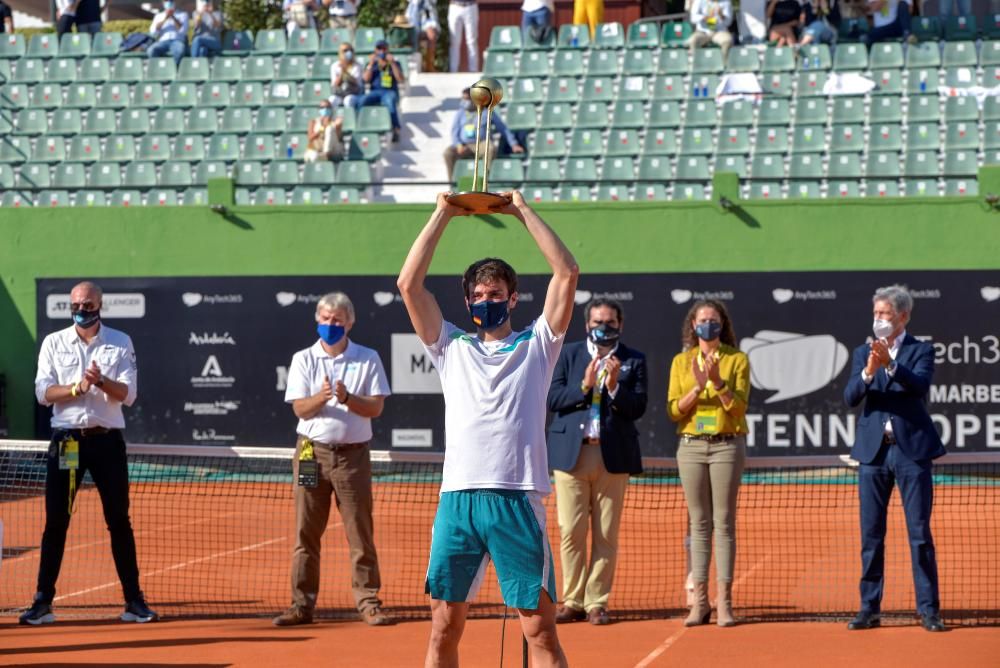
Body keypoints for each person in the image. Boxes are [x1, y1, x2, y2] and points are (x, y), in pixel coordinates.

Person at [396, 191, 579, 667]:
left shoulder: (539, 345)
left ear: (513, 298)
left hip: (516, 498)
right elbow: (409, 285)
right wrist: (443, 213)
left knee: (539, 630)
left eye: (495, 295)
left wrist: (520, 209)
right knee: (442, 627)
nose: (486, 301)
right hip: (458, 500)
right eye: (478, 296)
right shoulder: (450, 345)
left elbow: (567, 273)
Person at [19, 281, 158, 626]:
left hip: (107, 443)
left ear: (100, 306)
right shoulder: (54, 342)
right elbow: (42, 392)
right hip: (67, 441)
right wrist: (75, 387)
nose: (82, 309)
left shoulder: (120, 341)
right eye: (76, 304)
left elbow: (128, 394)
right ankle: (42, 602)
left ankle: (134, 602)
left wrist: (98, 382)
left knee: (119, 522)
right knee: (56, 522)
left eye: (88, 304)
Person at [273, 292, 393, 627]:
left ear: (350, 322)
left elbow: (375, 408)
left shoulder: (367, 358)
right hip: (311, 453)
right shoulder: (304, 359)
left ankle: (368, 602)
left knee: (359, 531)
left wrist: (347, 397)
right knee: (305, 532)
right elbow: (300, 408)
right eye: (325, 318)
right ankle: (301, 605)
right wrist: (323, 396)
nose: (331, 324)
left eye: (337, 319)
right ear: (317, 320)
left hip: (353, 457)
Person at [843, 285, 946, 633]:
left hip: (911, 452)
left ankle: (929, 610)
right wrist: (870, 370)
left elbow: (918, 387)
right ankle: (868, 608)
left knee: (919, 534)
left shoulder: (921, 350)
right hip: (873, 453)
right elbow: (850, 397)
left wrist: (891, 365)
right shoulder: (862, 352)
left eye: (885, 314)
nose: (879, 319)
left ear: (903, 316)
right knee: (871, 535)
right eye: (876, 313)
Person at [546, 298, 647, 626]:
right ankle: (572, 600)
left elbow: (638, 407)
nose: (603, 328)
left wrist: (615, 387)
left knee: (606, 533)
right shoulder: (568, 353)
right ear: (587, 324)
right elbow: (551, 399)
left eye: (610, 322)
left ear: (620, 325)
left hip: (612, 456)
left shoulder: (634, 360)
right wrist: (585, 387)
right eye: (596, 322)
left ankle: (596, 602)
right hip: (571, 455)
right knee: (571, 531)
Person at [666, 299, 749, 628]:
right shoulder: (681, 361)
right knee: (699, 524)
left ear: (722, 324)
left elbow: (739, 409)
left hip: (726, 446)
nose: (708, 325)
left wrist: (717, 382)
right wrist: (699, 385)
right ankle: (700, 603)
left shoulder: (737, 359)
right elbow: (674, 410)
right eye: (702, 320)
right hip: (690, 446)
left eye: (714, 320)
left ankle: (725, 603)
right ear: (693, 325)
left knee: (724, 523)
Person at [444, 87, 524, 182]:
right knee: (448, 153)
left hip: (481, 143)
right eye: (463, 99)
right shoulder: (460, 113)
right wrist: (458, 145)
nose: (464, 101)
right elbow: (454, 131)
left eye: (467, 99)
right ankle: (453, 182)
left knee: (490, 148)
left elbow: (503, 128)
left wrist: (514, 144)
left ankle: (485, 180)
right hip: (464, 145)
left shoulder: (487, 112)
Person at [359, 39, 405, 144]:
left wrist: (392, 63)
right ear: (375, 50)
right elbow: (365, 79)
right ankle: (360, 125)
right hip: (375, 92)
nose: (381, 51)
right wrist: (371, 64)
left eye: (384, 48)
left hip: (389, 91)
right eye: (379, 48)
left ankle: (395, 129)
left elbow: (400, 79)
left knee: (390, 102)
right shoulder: (372, 65)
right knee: (362, 101)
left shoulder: (395, 63)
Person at [147, 0, 189, 65]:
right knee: (151, 50)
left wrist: (173, 16)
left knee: (179, 51)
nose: (169, 3)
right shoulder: (158, 16)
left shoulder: (183, 15)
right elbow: (153, 32)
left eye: (171, 1)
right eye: (166, 1)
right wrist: (165, 18)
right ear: (163, 3)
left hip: (177, 40)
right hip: (163, 41)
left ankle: (173, 70)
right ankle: (158, 70)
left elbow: (183, 31)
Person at [405, 0, 440, 72]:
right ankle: (419, 66)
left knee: (432, 36)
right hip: (414, 11)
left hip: (428, 12)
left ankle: (429, 66)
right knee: (414, 37)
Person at [329, 42, 363, 110]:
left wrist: (346, 72)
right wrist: (342, 72)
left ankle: (349, 119)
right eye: (345, 51)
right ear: (340, 53)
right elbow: (335, 84)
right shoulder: (335, 66)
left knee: (348, 100)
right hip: (339, 93)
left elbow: (356, 82)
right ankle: (335, 119)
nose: (348, 52)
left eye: (350, 50)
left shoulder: (357, 65)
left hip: (353, 93)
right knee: (332, 99)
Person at [448, 0, 478, 72]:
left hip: (470, 6)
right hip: (454, 6)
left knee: (472, 41)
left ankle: (473, 70)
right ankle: (453, 70)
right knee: (454, 41)